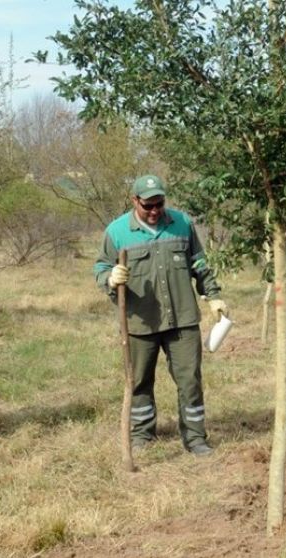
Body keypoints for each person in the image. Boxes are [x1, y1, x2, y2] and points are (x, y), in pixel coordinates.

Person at [93, 174, 227, 456]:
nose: (154, 211)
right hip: (139, 322)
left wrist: (213, 296)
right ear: (134, 201)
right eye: (148, 206)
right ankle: (142, 435)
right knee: (140, 381)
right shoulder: (117, 232)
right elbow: (101, 267)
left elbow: (199, 264)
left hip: (182, 319)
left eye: (159, 204)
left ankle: (195, 438)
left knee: (190, 380)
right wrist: (110, 278)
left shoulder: (182, 224)